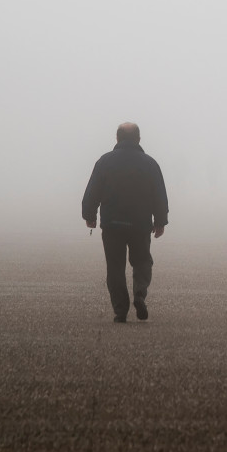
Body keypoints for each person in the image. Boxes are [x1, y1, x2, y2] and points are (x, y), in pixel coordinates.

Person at [82, 123, 169, 322]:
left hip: (112, 224)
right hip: (140, 224)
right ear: (139, 139)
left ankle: (120, 310)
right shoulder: (150, 164)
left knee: (115, 267)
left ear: (117, 139)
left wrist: (89, 215)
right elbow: (159, 194)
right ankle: (139, 293)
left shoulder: (104, 162)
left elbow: (93, 190)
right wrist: (161, 221)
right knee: (142, 261)